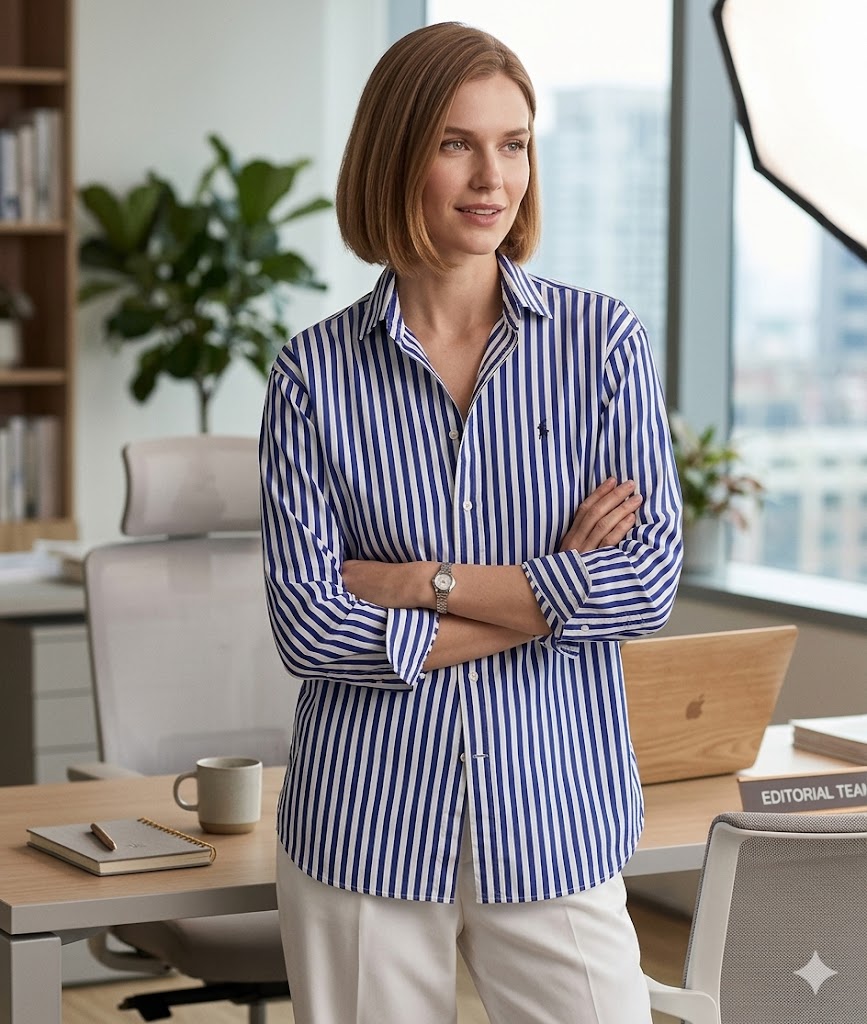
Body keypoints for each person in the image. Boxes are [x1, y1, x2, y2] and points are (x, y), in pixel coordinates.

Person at [259, 20, 682, 1024]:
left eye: (515, 143)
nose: (493, 176)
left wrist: (415, 581)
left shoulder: (601, 345)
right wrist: (552, 588)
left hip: (555, 811)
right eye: (457, 142)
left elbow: (646, 584)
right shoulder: (312, 376)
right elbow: (311, 629)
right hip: (364, 822)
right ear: (396, 156)